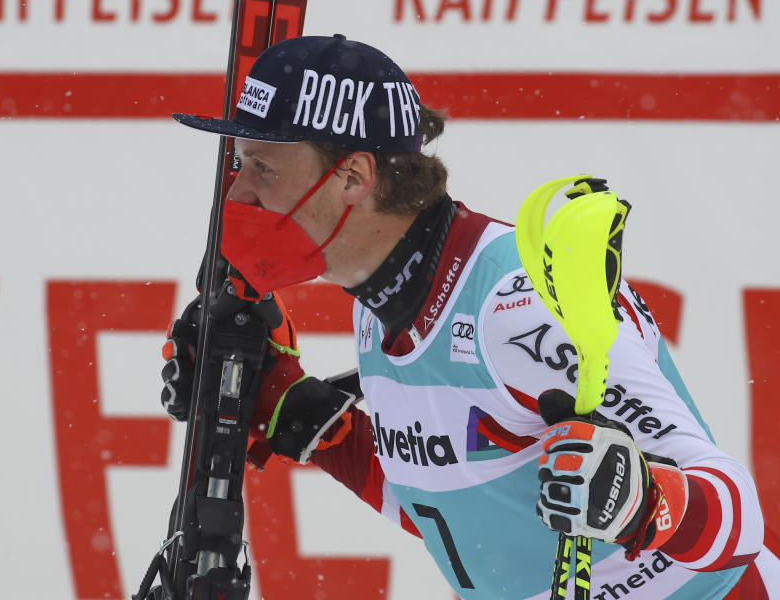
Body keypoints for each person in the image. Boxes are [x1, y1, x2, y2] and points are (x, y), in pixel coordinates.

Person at [163, 34, 777, 598]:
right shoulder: (379, 304)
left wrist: (646, 503)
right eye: (241, 165)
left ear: (352, 176)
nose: (238, 193)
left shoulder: (514, 303)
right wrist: (307, 420)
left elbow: (739, 515)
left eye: (263, 167)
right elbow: (457, 518)